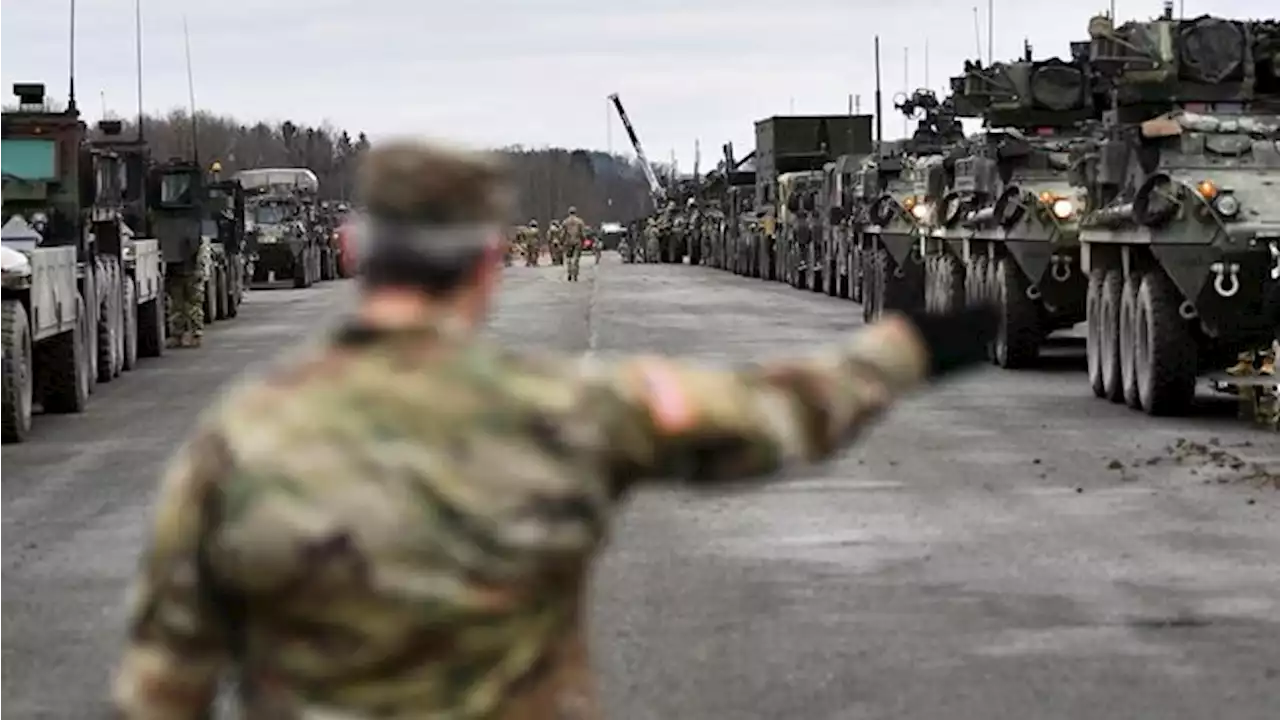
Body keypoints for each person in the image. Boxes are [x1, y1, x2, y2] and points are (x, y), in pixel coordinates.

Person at [110, 137, 998, 720]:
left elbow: (165, 680)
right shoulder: (565, 410)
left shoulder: (240, 438)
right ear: (493, 261)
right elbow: (771, 418)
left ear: (351, 253)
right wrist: (903, 351)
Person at [561, 206, 585, 281]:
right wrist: (583, 240)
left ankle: (569, 271)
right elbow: (582, 233)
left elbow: (563, 233)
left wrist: (561, 241)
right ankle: (575, 272)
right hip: (577, 242)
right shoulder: (580, 221)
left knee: (568, 258)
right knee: (576, 257)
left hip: (568, 242)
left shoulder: (565, 222)